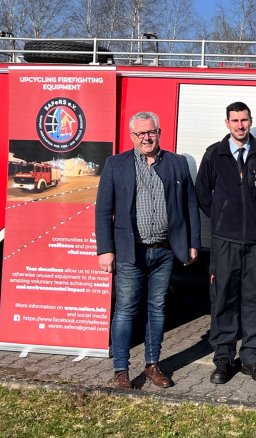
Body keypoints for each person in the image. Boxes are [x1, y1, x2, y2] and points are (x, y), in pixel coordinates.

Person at [95, 111, 201, 390]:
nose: (146, 137)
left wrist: (192, 243)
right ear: (132, 136)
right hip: (131, 251)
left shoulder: (177, 164)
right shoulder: (116, 165)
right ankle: (121, 371)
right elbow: (104, 210)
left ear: (159, 132)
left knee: (157, 308)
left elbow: (190, 205)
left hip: (164, 251)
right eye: (140, 133)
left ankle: (153, 365)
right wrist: (105, 249)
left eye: (151, 131)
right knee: (126, 309)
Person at [195, 102, 256, 384]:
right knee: (223, 298)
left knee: (255, 300)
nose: (240, 125)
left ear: (250, 121)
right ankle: (224, 359)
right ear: (226, 123)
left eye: (245, 120)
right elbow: (202, 193)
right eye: (235, 120)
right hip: (224, 242)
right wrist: (220, 216)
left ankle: (252, 357)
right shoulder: (215, 154)